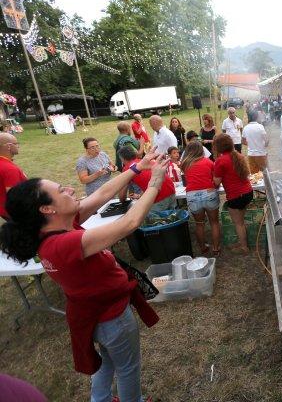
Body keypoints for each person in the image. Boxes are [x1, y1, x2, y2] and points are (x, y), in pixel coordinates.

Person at [0, 151, 168, 402]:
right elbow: (130, 223)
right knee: (127, 368)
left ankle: (99, 399)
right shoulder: (64, 243)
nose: (69, 188)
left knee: (107, 363)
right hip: (112, 318)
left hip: (94, 316)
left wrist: (137, 168)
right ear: (47, 209)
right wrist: (155, 181)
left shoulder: (54, 228)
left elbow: (101, 194)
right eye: (61, 190)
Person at [213, 134, 253, 253]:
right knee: (241, 221)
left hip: (236, 196)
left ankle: (244, 247)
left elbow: (216, 183)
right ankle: (243, 242)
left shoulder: (220, 161)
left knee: (238, 223)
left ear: (218, 147)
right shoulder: (239, 155)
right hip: (248, 192)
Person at [180, 141, 220, 256]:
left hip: (192, 195)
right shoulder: (208, 162)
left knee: (199, 223)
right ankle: (216, 248)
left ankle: (203, 248)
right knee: (214, 222)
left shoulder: (185, 164)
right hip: (209, 193)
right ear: (201, 150)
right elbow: (215, 179)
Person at [118, 146, 176, 212]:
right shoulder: (145, 161)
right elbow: (148, 180)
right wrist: (140, 195)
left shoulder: (127, 169)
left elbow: (122, 196)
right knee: (172, 218)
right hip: (171, 191)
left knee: (156, 220)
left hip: (158, 196)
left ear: (122, 159)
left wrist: (122, 200)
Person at [0, 132, 26, 221]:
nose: (18, 146)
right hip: (16, 213)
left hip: (4, 210)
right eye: (16, 144)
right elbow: (14, 196)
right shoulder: (9, 169)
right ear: (8, 146)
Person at [242, 110, 269, 174]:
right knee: (265, 174)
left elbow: (243, 141)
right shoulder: (260, 127)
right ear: (256, 117)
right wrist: (264, 146)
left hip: (251, 155)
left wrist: (250, 144)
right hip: (261, 154)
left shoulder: (245, 128)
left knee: (254, 175)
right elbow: (266, 140)